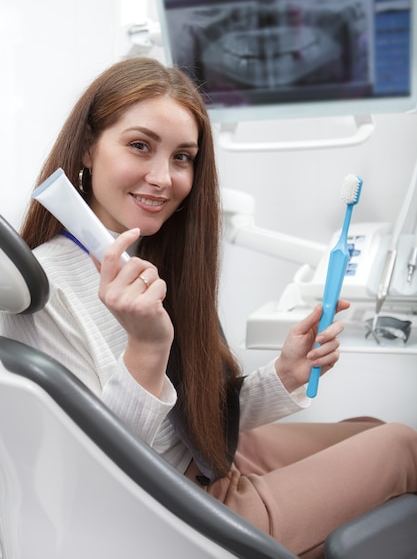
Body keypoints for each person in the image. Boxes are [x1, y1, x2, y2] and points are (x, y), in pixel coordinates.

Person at [1, 56, 416, 558]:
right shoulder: (45, 293)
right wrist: (146, 349)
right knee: (401, 445)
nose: (163, 177)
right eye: (140, 146)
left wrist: (285, 374)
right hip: (171, 512)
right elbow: (103, 483)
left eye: (183, 157)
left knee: (367, 430)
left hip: (201, 461)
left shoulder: (147, 258)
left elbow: (198, 420)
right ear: (88, 147)